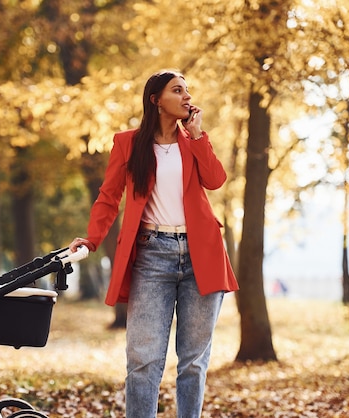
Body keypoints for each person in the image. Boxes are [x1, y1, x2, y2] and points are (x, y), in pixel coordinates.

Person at [69, 69, 238, 418]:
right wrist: (92, 239)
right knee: (143, 359)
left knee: (193, 362)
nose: (187, 97)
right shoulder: (128, 144)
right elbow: (109, 196)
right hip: (151, 256)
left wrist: (198, 136)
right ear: (156, 100)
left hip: (201, 256)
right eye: (178, 91)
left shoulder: (193, 141)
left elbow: (216, 180)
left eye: (188, 90)